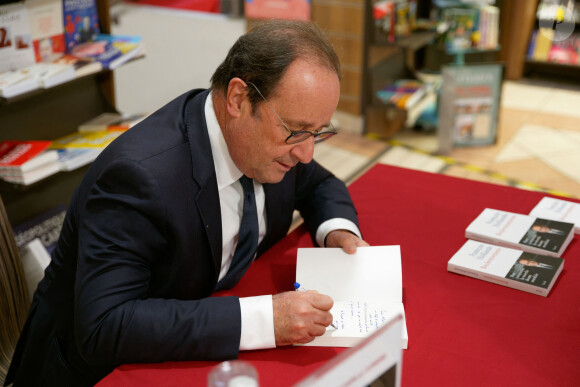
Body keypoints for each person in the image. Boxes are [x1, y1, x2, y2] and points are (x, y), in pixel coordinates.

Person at [5, 20, 368, 386]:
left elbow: (319, 183)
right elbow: (105, 326)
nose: (306, 154)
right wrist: (265, 320)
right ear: (238, 99)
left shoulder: (272, 145)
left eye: (319, 133)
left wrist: (337, 231)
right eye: (296, 131)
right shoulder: (138, 178)